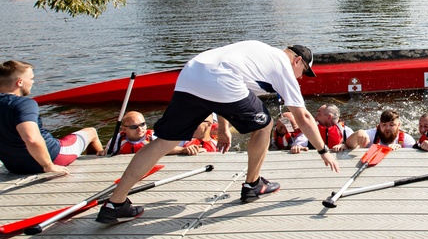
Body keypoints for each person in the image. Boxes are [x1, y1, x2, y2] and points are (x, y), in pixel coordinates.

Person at [95, 41, 339, 224]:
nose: (302, 77)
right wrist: (323, 150)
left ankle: (115, 204)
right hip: (219, 78)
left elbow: (223, 88)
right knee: (264, 124)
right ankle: (253, 184)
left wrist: (223, 128)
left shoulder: (258, 51)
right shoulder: (284, 67)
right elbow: (304, 117)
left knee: (164, 142)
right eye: (305, 72)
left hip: (191, 73)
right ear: (297, 60)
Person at [0, 60, 103, 175]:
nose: (33, 82)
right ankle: (99, 171)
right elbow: (31, 139)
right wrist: (49, 166)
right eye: (31, 79)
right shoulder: (24, 104)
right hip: (52, 158)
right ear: (20, 82)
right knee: (91, 132)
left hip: (14, 166)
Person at [345, 109, 416, 150]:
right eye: (384, 125)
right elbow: (349, 145)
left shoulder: (407, 139)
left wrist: (400, 151)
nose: (387, 128)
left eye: (391, 125)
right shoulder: (372, 134)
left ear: (398, 125)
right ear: (379, 125)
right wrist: (358, 133)